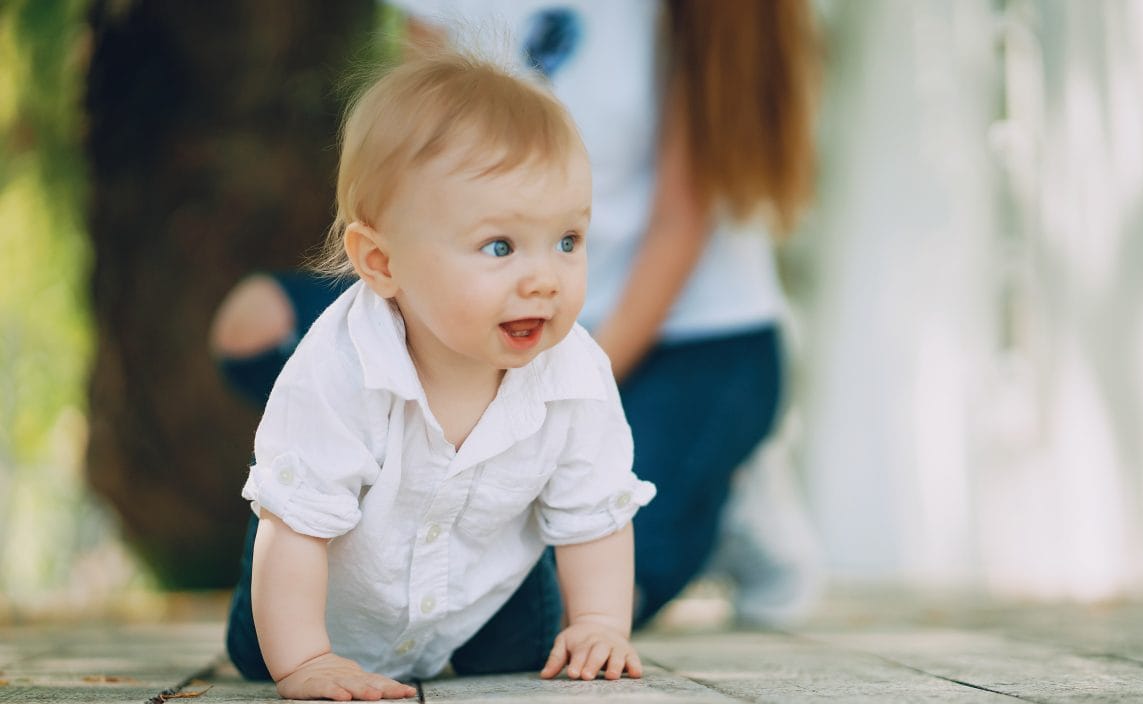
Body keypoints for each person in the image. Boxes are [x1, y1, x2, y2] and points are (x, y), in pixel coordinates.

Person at [212, 1, 819, 628]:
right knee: (257, 326)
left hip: (687, 337)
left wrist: (546, 393)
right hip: (478, 306)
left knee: (552, 611)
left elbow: (678, 223)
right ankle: (412, 481)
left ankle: (713, 490)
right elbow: (411, 176)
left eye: (571, 239)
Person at [224, 48, 656, 701]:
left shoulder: (575, 372)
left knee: (528, 649)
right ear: (381, 262)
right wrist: (305, 660)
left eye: (568, 240)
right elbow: (299, 527)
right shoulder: (341, 367)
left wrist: (599, 624)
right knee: (264, 638)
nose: (544, 278)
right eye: (500, 246)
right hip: (329, 606)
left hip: (489, 601)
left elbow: (594, 511)